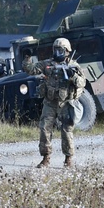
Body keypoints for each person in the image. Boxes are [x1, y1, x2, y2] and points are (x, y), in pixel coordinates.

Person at [24, 37, 87, 168]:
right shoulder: (47, 64)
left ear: (67, 51)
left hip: (66, 103)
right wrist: (27, 57)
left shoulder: (73, 65)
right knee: (44, 129)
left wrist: (73, 76)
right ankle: (46, 159)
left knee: (66, 130)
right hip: (50, 102)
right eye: (56, 50)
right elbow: (31, 69)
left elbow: (83, 82)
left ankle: (68, 159)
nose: (57, 52)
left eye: (61, 50)